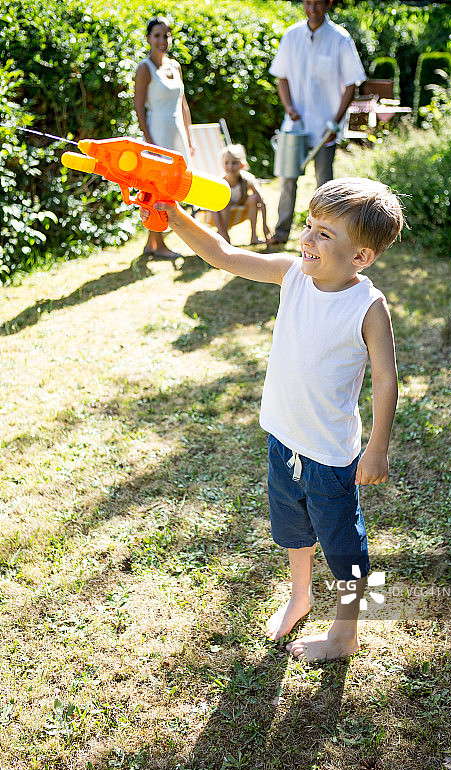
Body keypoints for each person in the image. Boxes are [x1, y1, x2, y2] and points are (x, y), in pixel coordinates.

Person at [140, 177, 403, 662]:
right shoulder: (292, 274)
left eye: (326, 234)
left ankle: (346, 631)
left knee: (344, 545)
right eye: (309, 224)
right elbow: (222, 254)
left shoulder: (368, 307)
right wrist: (171, 213)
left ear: (361, 257)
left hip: (329, 454)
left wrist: (378, 446)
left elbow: (386, 380)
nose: (307, 239)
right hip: (283, 437)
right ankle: (299, 595)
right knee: (293, 529)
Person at [267, 0, 366, 247]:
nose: (312, 8)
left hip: (326, 129)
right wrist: (289, 108)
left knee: (325, 184)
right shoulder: (291, 36)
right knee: (288, 179)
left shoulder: (340, 39)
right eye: (308, 2)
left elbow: (352, 83)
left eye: (318, 2)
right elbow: (282, 77)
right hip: (295, 126)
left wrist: (335, 122)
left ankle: (325, 235)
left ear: (328, 3)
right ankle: (281, 233)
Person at [134, 15, 195, 258]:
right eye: (157, 35)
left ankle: (153, 244)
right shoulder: (144, 68)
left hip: (177, 133)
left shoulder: (175, 65)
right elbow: (139, 107)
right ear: (148, 38)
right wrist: (149, 140)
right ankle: (157, 244)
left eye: (166, 35)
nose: (162, 40)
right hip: (157, 135)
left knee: (174, 187)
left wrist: (189, 140)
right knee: (158, 189)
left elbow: (184, 106)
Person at [208, 144, 271, 245]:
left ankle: (254, 236)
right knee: (222, 201)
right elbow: (212, 207)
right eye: (227, 163)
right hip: (223, 210)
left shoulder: (247, 179)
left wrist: (265, 225)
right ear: (222, 164)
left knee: (253, 198)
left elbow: (262, 201)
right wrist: (222, 232)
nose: (230, 166)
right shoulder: (220, 181)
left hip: (242, 206)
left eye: (234, 163)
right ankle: (223, 235)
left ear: (242, 164)